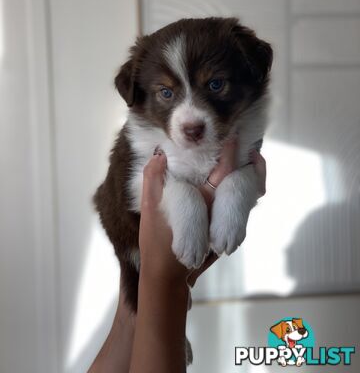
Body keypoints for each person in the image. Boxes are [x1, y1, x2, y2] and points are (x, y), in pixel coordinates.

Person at [88, 138, 266, 373]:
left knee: (133, 314)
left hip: (144, 265)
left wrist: (143, 301)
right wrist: (164, 284)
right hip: (132, 238)